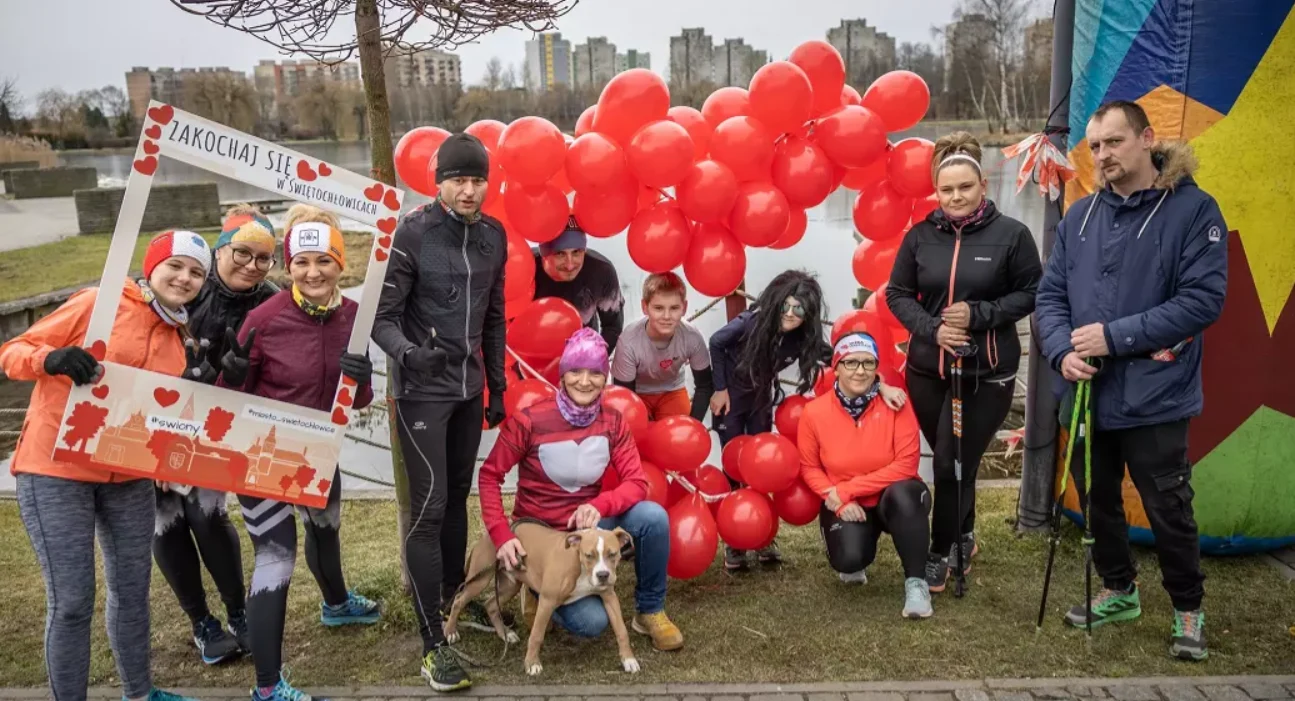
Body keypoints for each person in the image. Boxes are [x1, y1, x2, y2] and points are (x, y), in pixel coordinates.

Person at [1035, 100, 1226, 661]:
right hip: (1085, 392)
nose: (1103, 155)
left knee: (1168, 506)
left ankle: (1188, 608)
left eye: (1114, 142)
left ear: (1146, 139)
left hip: (1155, 394)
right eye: (1095, 146)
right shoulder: (1079, 216)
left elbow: (1202, 300)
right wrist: (1060, 352)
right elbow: (1051, 297)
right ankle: (1119, 588)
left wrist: (1113, 337)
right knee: (1097, 499)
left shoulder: (1192, 210)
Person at [0, 230, 214, 701]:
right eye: (176, 266)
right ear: (152, 267)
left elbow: (155, 414)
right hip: (56, 469)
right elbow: (11, 353)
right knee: (73, 601)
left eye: (197, 273)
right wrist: (51, 358)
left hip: (128, 476)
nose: (184, 278)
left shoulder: (179, 337)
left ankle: (140, 693)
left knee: (133, 592)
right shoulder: (98, 302)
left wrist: (169, 456)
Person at [220, 207, 381, 701]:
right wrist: (231, 374)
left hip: (320, 449)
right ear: (288, 265)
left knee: (326, 528)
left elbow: (358, 400)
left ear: (340, 264)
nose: (313, 273)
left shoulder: (354, 317)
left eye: (324, 261)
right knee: (276, 558)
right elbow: (228, 399)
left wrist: (363, 378)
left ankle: (336, 605)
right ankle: (268, 688)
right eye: (301, 262)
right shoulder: (263, 319)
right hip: (264, 451)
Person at [371, 132, 507, 692]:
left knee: (456, 499)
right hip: (422, 391)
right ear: (439, 183)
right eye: (458, 180)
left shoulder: (494, 236)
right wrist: (409, 354)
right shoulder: (413, 234)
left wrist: (497, 386)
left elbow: (494, 317)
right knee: (428, 509)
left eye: (477, 180)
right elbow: (381, 317)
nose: (469, 190)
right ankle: (431, 646)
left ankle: (452, 604)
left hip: (468, 390)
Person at [884, 131, 1042, 594]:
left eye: (965, 187)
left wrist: (979, 315)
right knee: (956, 463)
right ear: (936, 191)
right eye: (946, 189)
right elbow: (897, 294)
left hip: (985, 373)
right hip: (927, 371)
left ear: (983, 186)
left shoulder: (1012, 235)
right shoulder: (920, 237)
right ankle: (964, 535)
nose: (955, 197)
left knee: (950, 461)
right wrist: (933, 328)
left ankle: (939, 551)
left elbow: (1033, 292)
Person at [479, 328, 684, 651]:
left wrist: (600, 505)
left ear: (605, 378)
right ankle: (537, 583)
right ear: (562, 375)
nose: (585, 381)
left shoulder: (613, 421)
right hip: (543, 536)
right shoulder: (529, 421)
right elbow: (490, 475)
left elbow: (636, 482)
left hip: (588, 528)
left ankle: (649, 611)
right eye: (575, 371)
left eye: (595, 373)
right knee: (592, 623)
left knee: (652, 518)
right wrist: (501, 535)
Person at [709, 270, 906, 570]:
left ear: (808, 313)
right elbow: (716, 342)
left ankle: (761, 535)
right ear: (775, 302)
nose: (790, 314)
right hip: (731, 403)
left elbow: (842, 359)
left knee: (760, 469)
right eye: (785, 306)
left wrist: (882, 386)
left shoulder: (802, 339)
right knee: (734, 469)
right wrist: (720, 389)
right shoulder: (752, 322)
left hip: (760, 402)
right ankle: (735, 541)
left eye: (799, 309)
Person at [152, 205, 279, 666]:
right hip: (158, 416)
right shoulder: (187, 287)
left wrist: (235, 382)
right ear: (220, 251)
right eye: (241, 252)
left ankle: (238, 612)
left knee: (207, 514)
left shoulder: (271, 300)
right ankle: (201, 621)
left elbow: (274, 375)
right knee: (166, 518)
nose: (251, 265)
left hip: (217, 422)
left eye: (263, 258)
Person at [798, 333, 931, 619]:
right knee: (848, 560)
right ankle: (857, 551)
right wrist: (840, 502)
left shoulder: (897, 403)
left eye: (868, 363)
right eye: (851, 363)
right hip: (850, 504)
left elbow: (906, 465)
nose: (860, 371)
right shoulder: (814, 412)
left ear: (876, 368)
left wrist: (846, 489)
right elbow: (809, 467)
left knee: (904, 494)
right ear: (836, 367)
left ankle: (917, 583)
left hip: (892, 498)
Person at [611, 272, 713, 421]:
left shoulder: (692, 337)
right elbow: (624, 395)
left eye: (674, 308)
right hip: (637, 394)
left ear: (684, 308)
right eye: (658, 308)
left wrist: (692, 425)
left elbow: (705, 385)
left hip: (672, 390)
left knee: (678, 434)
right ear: (645, 307)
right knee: (638, 432)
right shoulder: (629, 341)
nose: (666, 316)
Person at [533, 217, 625, 352]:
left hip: (582, 354)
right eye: (560, 254)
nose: (570, 265)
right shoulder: (524, 270)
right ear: (544, 255)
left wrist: (594, 358)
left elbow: (613, 326)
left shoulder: (601, 271)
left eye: (576, 252)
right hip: (529, 354)